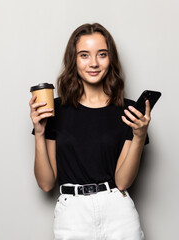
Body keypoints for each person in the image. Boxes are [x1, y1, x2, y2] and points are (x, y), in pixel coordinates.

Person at [29, 23, 151, 240]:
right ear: (73, 60)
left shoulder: (129, 111)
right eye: (84, 55)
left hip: (118, 211)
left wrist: (139, 135)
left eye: (102, 54)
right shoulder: (54, 110)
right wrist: (39, 132)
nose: (93, 63)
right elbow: (46, 183)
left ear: (110, 59)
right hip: (72, 215)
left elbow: (122, 182)